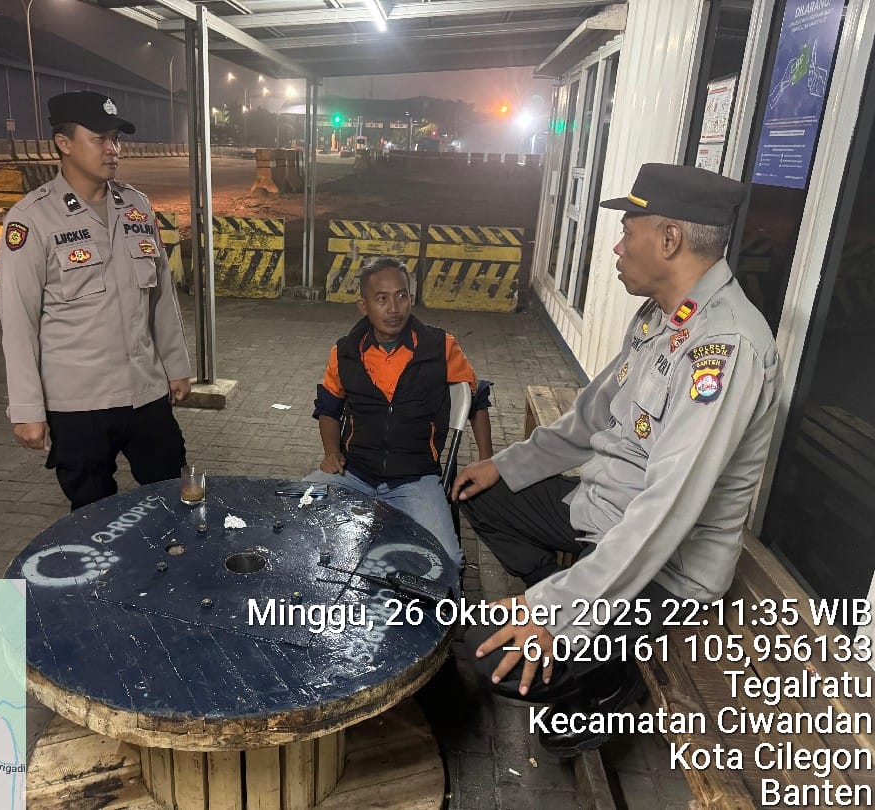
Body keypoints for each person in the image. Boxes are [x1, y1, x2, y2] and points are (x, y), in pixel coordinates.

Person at [452, 163, 781, 756]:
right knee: (482, 492)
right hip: (605, 512)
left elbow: (667, 509)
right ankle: (584, 612)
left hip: (667, 566)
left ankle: (607, 682)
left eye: (628, 232)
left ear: (669, 239)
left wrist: (553, 612)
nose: (617, 247)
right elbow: (590, 417)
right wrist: (506, 464)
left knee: (485, 661)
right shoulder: (662, 314)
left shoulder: (725, 348)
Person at [0, 91, 192, 511]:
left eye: (116, 139)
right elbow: (18, 322)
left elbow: (161, 296)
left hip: (144, 393)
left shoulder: (136, 206)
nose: (112, 149)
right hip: (78, 404)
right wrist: (27, 409)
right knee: (92, 518)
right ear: (64, 143)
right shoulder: (32, 219)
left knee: (173, 500)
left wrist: (176, 366)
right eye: (99, 138)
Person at [308, 256, 492, 568]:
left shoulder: (440, 347)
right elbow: (328, 406)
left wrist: (487, 460)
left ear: (411, 298)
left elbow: (477, 398)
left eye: (401, 296)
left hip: (416, 479)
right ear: (364, 305)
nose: (394, 308)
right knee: (293, 516)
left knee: (447, 561)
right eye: (382, 299)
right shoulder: (344, 352)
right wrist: (331, 452)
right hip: (353, 474)